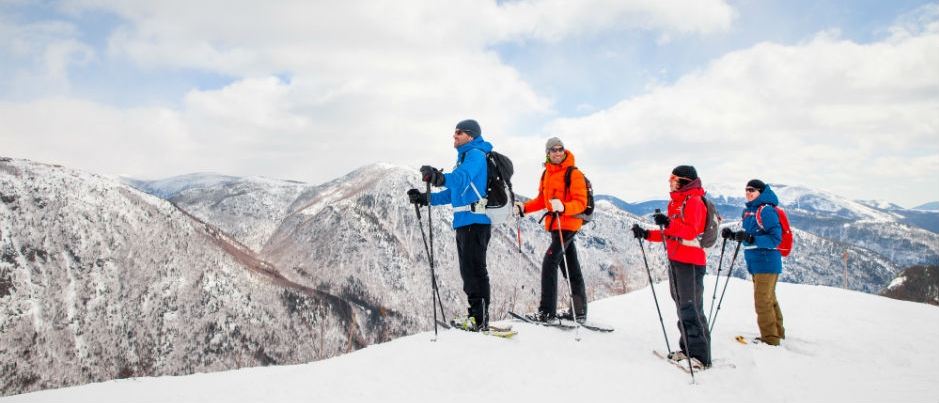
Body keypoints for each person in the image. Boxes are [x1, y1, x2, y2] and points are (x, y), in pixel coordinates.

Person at [407, 119, 493, 331]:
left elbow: (460, 179)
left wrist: (439, 177)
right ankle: (475, 316)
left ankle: (480, 319)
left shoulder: (475, 155)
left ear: (470, 136)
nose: (454, 136)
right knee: (468, 271)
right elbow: (453, 192)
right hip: (464, 222)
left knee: (474, 270)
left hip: (475, 220)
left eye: (459, 132)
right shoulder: (464, 157)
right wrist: (426, 198)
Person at [630, 165, 711, 368]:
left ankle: (700, 357)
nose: (670, 182)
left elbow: (691, 232)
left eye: (673, 179)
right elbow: (671, 234)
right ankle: (687, 349)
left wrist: (668, 223)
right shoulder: (677, 202)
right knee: (683, 306)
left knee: (690, 307)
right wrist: (647, 234)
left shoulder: (693, 201)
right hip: (677, 258)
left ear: (684, 181)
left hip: (690, 262)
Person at [513, 137, 589, 323]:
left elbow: (581, 203)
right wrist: (524, 207)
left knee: (549, 262)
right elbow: (542, 200)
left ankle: (547, 312)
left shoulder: (573, 173)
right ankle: (578, 312)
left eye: (560, 149)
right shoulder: (546, 174)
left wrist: (563, 207)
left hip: (568, 225)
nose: (557, 152)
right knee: (571, 268)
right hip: (555, 226)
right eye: (553, 150)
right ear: (547, 153)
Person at [722, 179, 786, 346]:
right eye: (747, 189)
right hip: (758, 262)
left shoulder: (766, 211)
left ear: (761, 193)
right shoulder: (750, 211)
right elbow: (750, 237)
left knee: (762, 300)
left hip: (767, 261)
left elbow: (775, 239)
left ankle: (770, 340)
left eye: (753, 190)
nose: (748, 192)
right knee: (769, 298)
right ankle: (777, 333)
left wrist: (751, 238)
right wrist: (734, 235)